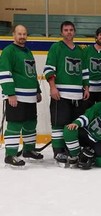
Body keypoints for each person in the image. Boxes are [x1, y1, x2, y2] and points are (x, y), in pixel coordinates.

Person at [43, 21, 89, 163]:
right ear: (61, 32)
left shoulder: (80, 51)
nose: (69, 32)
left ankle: (70, 149)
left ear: (74, 32)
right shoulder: (56, 47)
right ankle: (58, 151)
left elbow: (85, 72)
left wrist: (86, 88)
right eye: (66, 30)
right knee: (58, 123)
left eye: (71, 30)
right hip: (61, 93)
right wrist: (52, 87)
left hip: (77, 95)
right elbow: (49, 69)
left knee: (73, 124)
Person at [0, 25, 43, 166]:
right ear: (13, 35)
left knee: (31, 123)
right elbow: (5, 73)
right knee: (14, 124)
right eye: (19, 34)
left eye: (24, 34)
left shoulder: (27, 52)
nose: (22, 36)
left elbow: (32, 73)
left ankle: (28, 150)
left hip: (30, 97)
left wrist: (37, 91)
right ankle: (10, 154)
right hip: (17, 96)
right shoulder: (8, 51)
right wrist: (10, 93)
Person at [63, 91, 101, 169]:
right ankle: (77, 156)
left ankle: (89, 157)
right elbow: (87, 116)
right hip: (86, 133)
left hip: (99, 141)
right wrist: (77, 123)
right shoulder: (100, 106)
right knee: (69, 130)